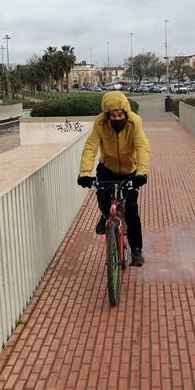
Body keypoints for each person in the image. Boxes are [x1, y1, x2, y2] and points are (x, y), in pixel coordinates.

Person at [76, 90, 150, 265]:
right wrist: (85, 173)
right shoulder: (100, 123)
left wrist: (141, 173)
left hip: (130, 170)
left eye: (120, 115)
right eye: (112, 116)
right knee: (103, 198)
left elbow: (142, 147)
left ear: (126, 112)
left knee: (131, 209)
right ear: (106, 115)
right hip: (107, 167)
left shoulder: (135, 122)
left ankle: (137, 249)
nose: (116, 119)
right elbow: (91, 147)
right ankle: (104, 216)